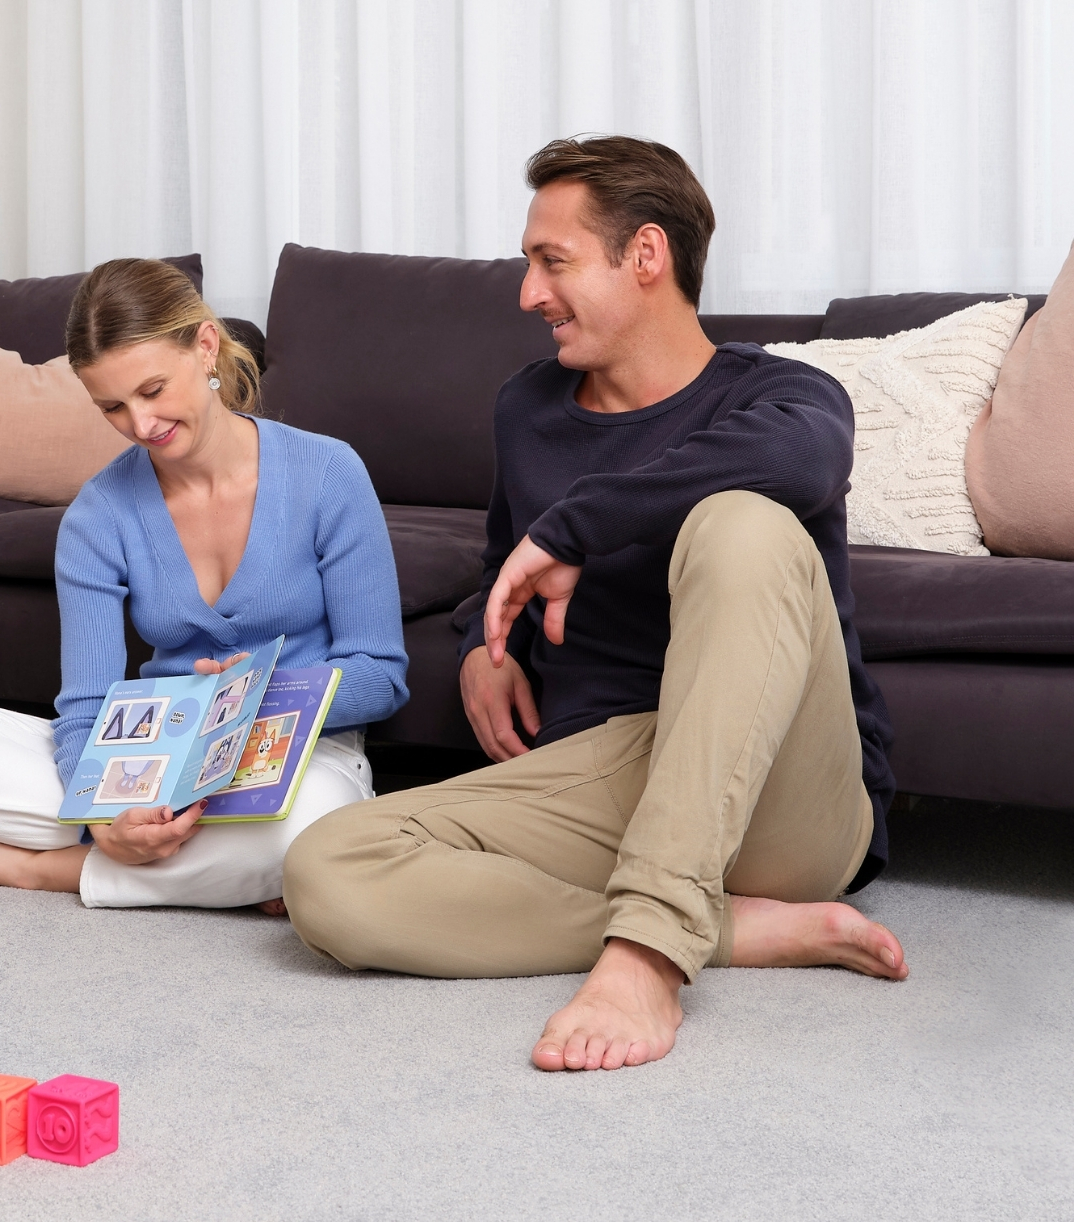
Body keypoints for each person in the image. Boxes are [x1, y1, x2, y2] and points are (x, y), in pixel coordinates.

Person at [283, 136, 908, 1072]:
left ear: (645, 256)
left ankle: (650, 951)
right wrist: (478, 649)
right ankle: (732, 928)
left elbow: (798, 466)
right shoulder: (528, 407)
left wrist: (581, 525)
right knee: (325, 872)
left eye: (553, 261)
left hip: (783, 793)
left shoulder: (783, 395)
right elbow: (506, 558)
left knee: (744, 524)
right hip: (610, 778)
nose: (528, 293)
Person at [0, 258, 408, 911]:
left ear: (204, 346)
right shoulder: (98, 515)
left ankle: (41, 870)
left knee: (305, 829)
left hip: (295, 757)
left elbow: (381, 676)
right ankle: (188, 863)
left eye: (153, 390)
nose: (140, 425)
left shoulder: (328, 473)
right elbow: (86, 707)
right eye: (112, 407)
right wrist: (105, 817)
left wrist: (255, 696)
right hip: (149, 761)